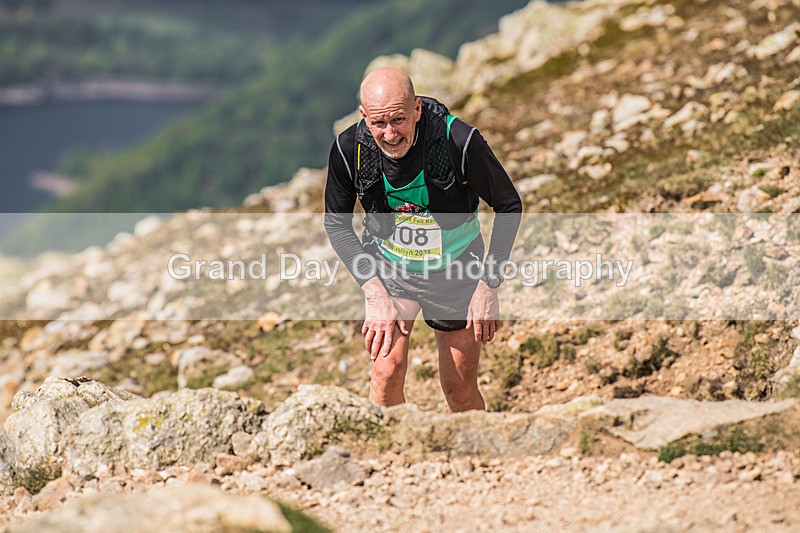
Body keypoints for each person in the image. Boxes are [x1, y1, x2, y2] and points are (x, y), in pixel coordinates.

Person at [324, 68, 521, 412]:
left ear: (416, 109)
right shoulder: (348, 149)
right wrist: (372, 291)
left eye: (399, 119)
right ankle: (389, 459)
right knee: (386, 372)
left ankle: (471, 458)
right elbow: (337, 224)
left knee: (458, 388)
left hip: (455, 269)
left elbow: (509, 205)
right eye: (378, 124)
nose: (390, 134)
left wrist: (489, 285)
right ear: (364, 117)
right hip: (390, 268)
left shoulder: (458, 141)